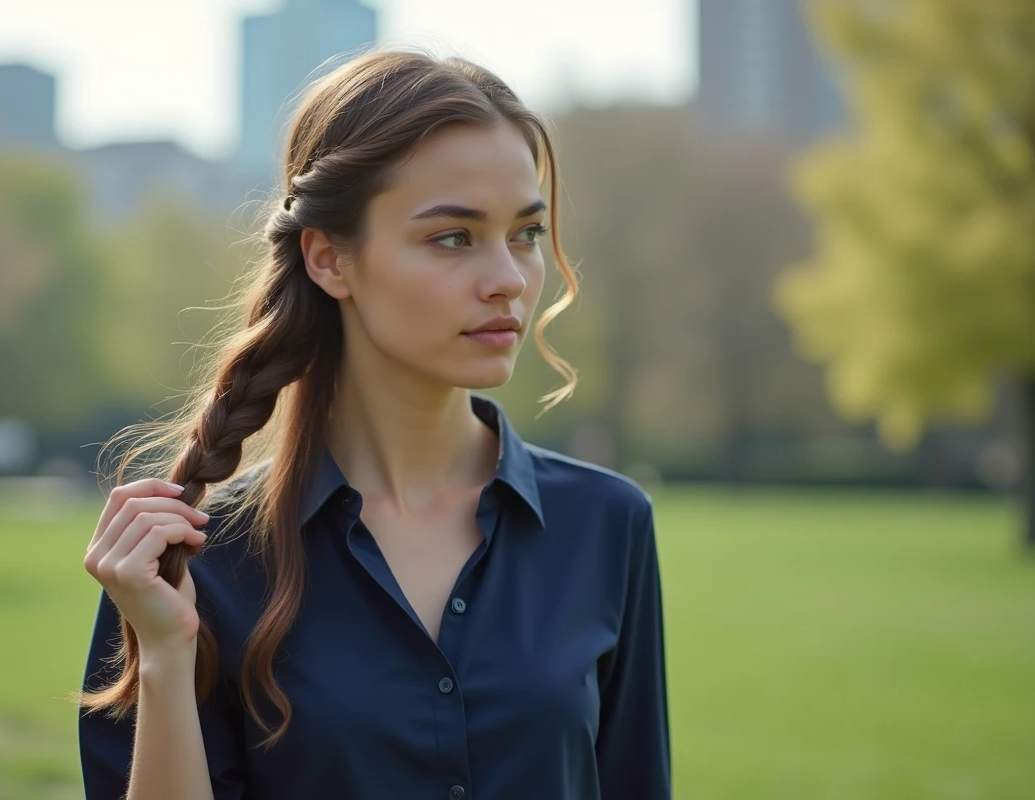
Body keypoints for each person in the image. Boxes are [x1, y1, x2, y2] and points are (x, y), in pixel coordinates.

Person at [74, 48, 670, 800]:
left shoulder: (607, 526)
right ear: (330, 260)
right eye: (453, 237)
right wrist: (164, 656)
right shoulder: (190, 561)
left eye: (525, 233)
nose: (509, 279)